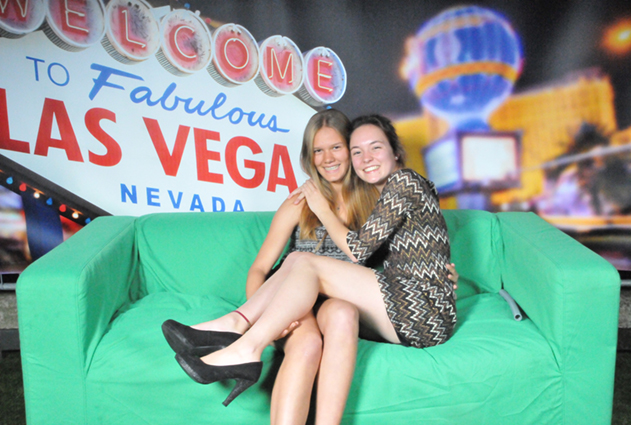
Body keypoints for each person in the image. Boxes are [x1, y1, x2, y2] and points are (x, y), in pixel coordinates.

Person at [164, 113, 458, 415]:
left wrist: (440, 271)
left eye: (338, 148)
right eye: (318, 150)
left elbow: (394, 250)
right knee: (306, 340)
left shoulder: (378, 198)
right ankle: (244, 333)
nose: (328, 158)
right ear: (309, 157)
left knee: (342, 312)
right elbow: (260, 268)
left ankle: (240, 334)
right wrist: (269, 317)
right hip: (291, 299)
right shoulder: (302, 201)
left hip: (345, 299)